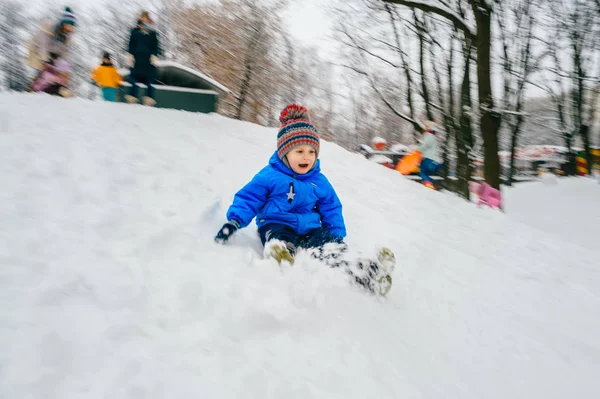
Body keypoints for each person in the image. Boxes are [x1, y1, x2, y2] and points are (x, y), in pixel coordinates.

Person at [214, 104, 394, 296]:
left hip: (310, 228)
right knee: (278, 236)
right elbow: (250, 197)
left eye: (311, 152)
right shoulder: (270, 176)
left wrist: (336, 235)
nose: (306, 157)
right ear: (285, 153)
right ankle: (280, 254)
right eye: (299, 151)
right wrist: (235, 221)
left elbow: (331, 207)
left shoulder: (319, 180)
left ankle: (368, 273)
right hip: (276, 222)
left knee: (330, 247)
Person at [125, 11, 161, 106]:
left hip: (148, 61)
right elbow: (130, 44)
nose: (144, 20)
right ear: (139, 19)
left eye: (146, 19)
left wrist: (155, 55)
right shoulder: (134, 31)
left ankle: (148, 100)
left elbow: (156, 46)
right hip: (136, 59)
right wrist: (130, 55)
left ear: (149, 20)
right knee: (133, 79)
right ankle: (132, 98)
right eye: (142, 18)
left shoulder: (153, 33)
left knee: (149, 81)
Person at [27, 7, 76, 71]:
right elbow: (42, 45)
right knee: (45, 69)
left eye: (71, 26)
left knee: (62, 70)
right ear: (63, 24)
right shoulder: (49, 30)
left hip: (52, 57)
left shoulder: (65, 36)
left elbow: (64, 51)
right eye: (69, 26)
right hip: (38, 53)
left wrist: (63, 64)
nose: (70, 28)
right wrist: (46, 60)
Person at [418, 122, 442, 189]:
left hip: (427, 157)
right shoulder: (433, 136)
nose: (424, 127)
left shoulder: (429, 135)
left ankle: (428, 184)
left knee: (422, 172)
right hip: (432, 158)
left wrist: (417, 149)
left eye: (426, 126)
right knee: (425, 173)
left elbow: (425, 145)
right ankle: (429, 184)